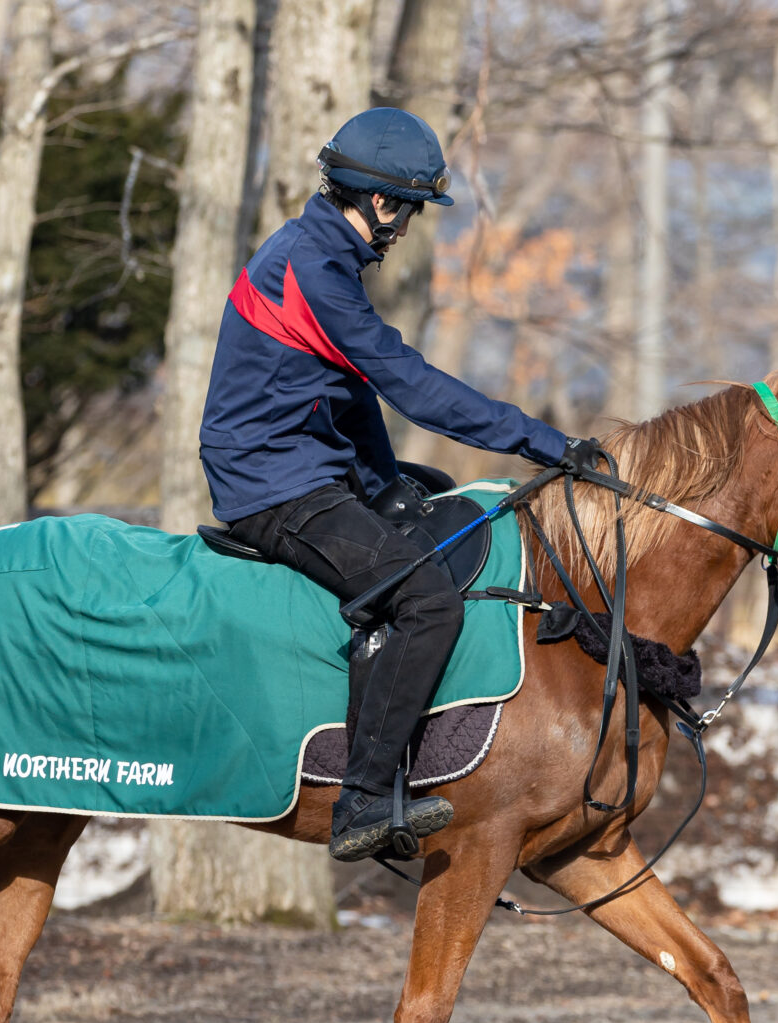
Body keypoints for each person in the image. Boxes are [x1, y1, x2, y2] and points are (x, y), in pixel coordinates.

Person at [198, 106, 593, 862]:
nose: (410, 225)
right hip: (272, 487)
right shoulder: (314, 269)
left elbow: (348, 393)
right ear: (381, 202)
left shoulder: (319, 252)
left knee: (430, 520)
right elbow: (409, 384)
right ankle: (365, 801)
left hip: (305, 464)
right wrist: (544, 441)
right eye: (410, 209)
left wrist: (385, 485)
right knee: (424, 597)